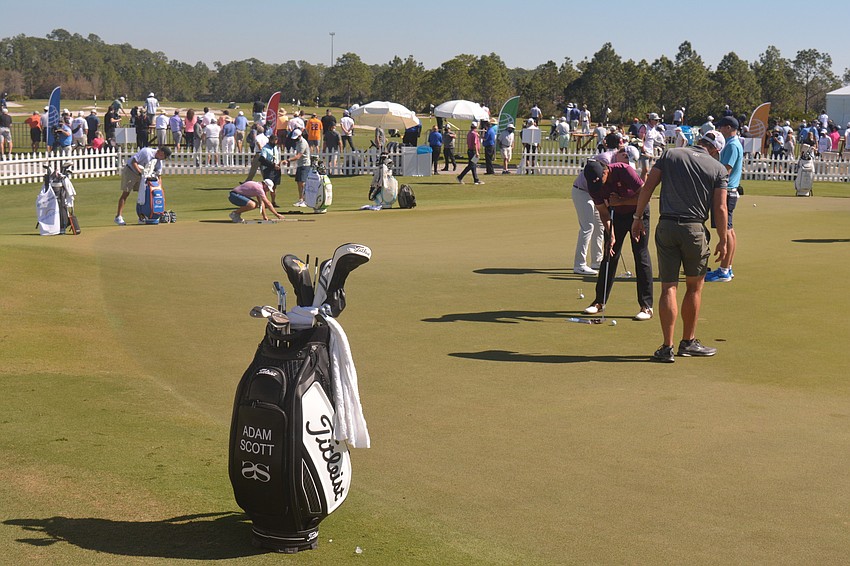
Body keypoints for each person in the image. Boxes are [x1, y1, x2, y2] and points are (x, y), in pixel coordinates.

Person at [630, 131, 728, 362]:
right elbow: (721, 208)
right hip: (694, 229)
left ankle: (667, 347)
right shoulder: (717, 168)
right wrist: (723, 240)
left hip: (667, 225)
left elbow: (647, 187)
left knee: (668, 287)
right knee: (694, 287)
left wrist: (637, 218)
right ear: (715, 150)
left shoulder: (670, 154)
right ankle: (688, 342)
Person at [581, 160, 654, 320]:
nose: (599, 186)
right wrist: (611, 233)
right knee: (609, 255)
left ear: (606, 171)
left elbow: (645, 196)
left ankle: (646, 306)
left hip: (639, 214)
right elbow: (603, 212)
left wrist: (621, 202)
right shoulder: (594, 186)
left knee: (640, 255)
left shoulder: (624, 170)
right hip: (616, 216)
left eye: (601, 180)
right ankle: (599, 302)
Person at [705, 116, 743, 283]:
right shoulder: (732, 144)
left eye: (721, 127)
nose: (719, 130)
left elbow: (725, 169)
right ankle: (727, 267)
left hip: (726, 192)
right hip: (730, 191)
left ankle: (724, 270)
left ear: (728, 127)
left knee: (726, 230)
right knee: (729, 230)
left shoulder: (732, 145)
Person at [115, 146, 172, 225]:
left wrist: (160, 188)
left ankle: (142, 217)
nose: (164, 158)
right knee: (125, 194)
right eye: (165, 156)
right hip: (130, 171)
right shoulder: (146, 152)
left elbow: (159, 175)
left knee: (144, 196)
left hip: (142, 176)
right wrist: (141, 173)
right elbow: (134, 162)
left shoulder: (159, 160)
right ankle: (118, 217)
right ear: (161, 153)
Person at [284, 129, 310, 206]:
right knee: (299, 182)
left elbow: (298, 156)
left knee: (302, 183)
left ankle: (305, 200)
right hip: (300, 164)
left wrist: (288, 160)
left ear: (300, 136)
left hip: (305, 164)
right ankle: (301, 199)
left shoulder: (303, 143)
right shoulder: (298, 142)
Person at [639, 112, 665, 180]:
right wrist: (642, 148)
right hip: (645, 151)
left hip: (651, 151)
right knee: (645, 169)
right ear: (651, 120)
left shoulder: (654, 129)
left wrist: (660, 143)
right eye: (656, 120)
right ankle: (641, 185)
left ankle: (644, 184)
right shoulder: (644, 127)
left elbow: (654, 140)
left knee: (648, 170)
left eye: (658, 120)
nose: (657, 121)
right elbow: (641, 139)